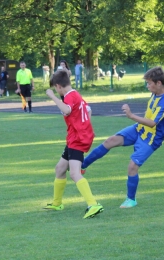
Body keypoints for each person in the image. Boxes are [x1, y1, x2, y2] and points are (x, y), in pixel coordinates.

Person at [81, 66, 164, 208]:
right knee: (110, 141)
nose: (147, 86)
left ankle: (131, 199)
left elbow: (152, 123)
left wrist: (131, 115)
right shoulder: (156, 93)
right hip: (139, 129)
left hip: (152, 138)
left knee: (132, 167)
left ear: (159, 83)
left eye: (149, 83)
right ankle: (82, 166)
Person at [44, 69, 104, 219]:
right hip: (76, 136)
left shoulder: (70, 96)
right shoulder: (76, 95)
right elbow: (88, 110)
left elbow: (67, 109)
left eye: (55, 89)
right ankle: (57, 203)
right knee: (60, 168)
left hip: (77, 138)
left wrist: (52, 97)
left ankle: (93, 204)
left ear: (58, 86)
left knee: (74, 173)